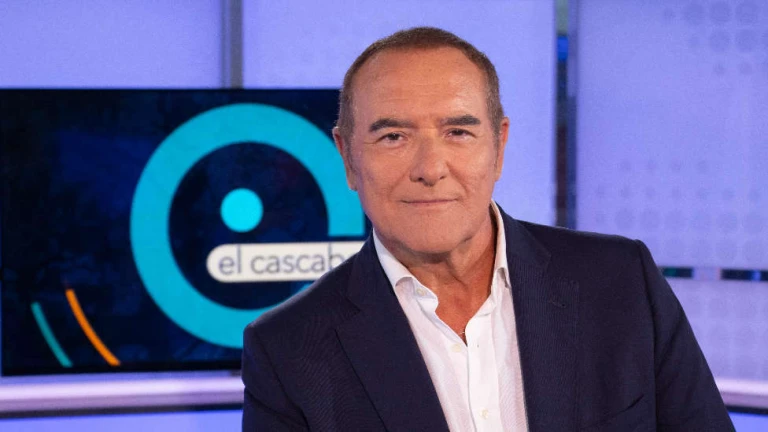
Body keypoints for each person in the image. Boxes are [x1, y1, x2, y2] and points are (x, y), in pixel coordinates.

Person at [241, 27, 734, 431]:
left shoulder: (622, 281)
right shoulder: (288, 350)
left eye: (458, 132)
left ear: (498, 146)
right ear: (348, 158)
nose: (430, 168)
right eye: (393, 137)